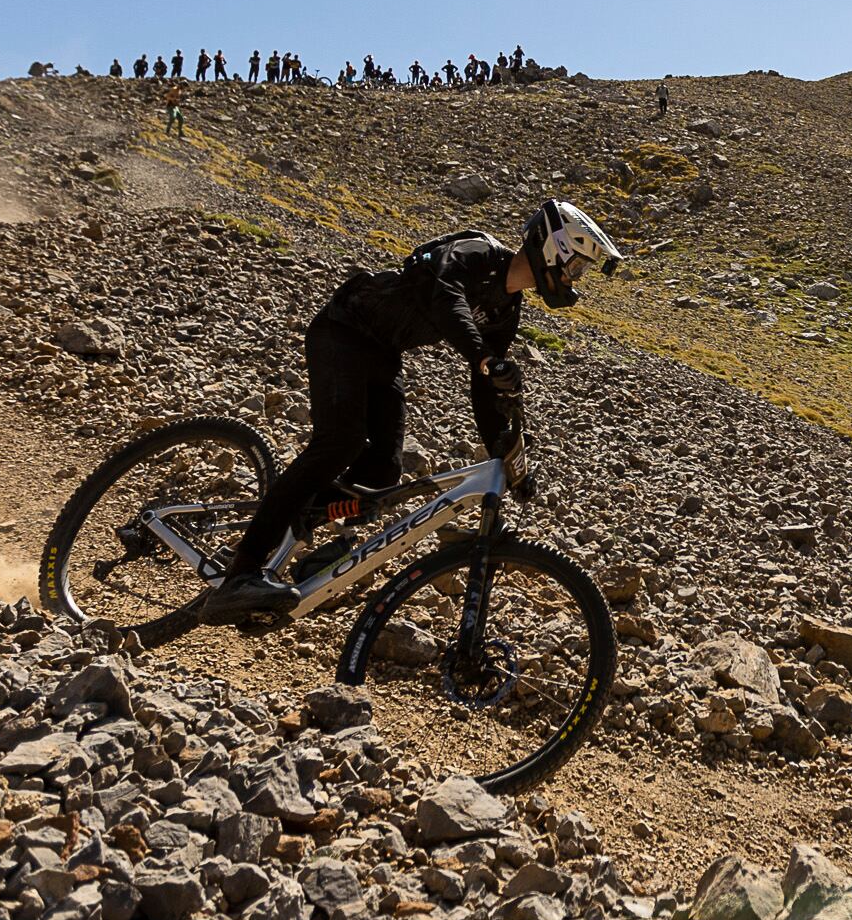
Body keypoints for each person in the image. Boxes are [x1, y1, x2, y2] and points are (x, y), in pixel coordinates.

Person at [201, 200, 625, 620]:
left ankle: (296, 521)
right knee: (340, 442)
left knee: (383, 472)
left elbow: (485, 388)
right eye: (575, 265)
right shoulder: (476, 252)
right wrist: (483, 357)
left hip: (383, 354)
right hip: (343, 329)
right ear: (552, 248)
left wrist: (510, 454)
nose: (574, 278)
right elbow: (445, 297)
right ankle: (243, 573)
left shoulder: (505, 309)